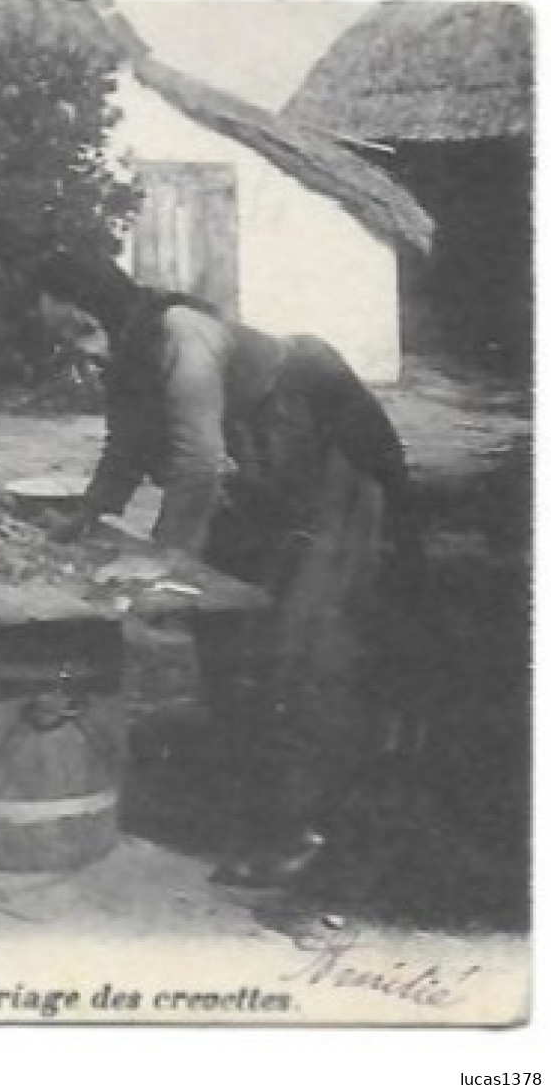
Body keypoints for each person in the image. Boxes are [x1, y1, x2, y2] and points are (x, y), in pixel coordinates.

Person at [28, 248, 424, 888]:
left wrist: (161, 559)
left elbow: (199, 465)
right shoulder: (127, 357)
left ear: (107, 310)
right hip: (263, 473)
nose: (84, 355)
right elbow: (126, 444)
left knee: (290, 646)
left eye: (82, 332)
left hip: (327, 461)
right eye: (66, 343)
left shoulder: (182, 336)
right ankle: (254, 805)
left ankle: (300, 829)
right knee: (223, 638)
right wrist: (88, 513)